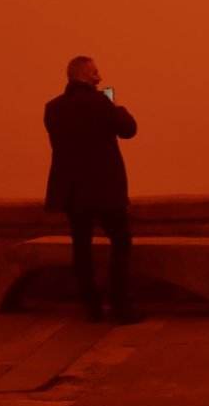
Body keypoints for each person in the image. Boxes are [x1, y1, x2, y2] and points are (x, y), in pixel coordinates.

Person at [45, 56, 141, 323]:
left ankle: (92, 306)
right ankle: (120, 305)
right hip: (104, 189)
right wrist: (117, 107)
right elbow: (128, 130)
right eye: (96, 73)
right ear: (84, 76)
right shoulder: (101, 102)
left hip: (72, 191)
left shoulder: (53, 107)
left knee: (81, 246)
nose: (100, 78)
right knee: (121, 241)